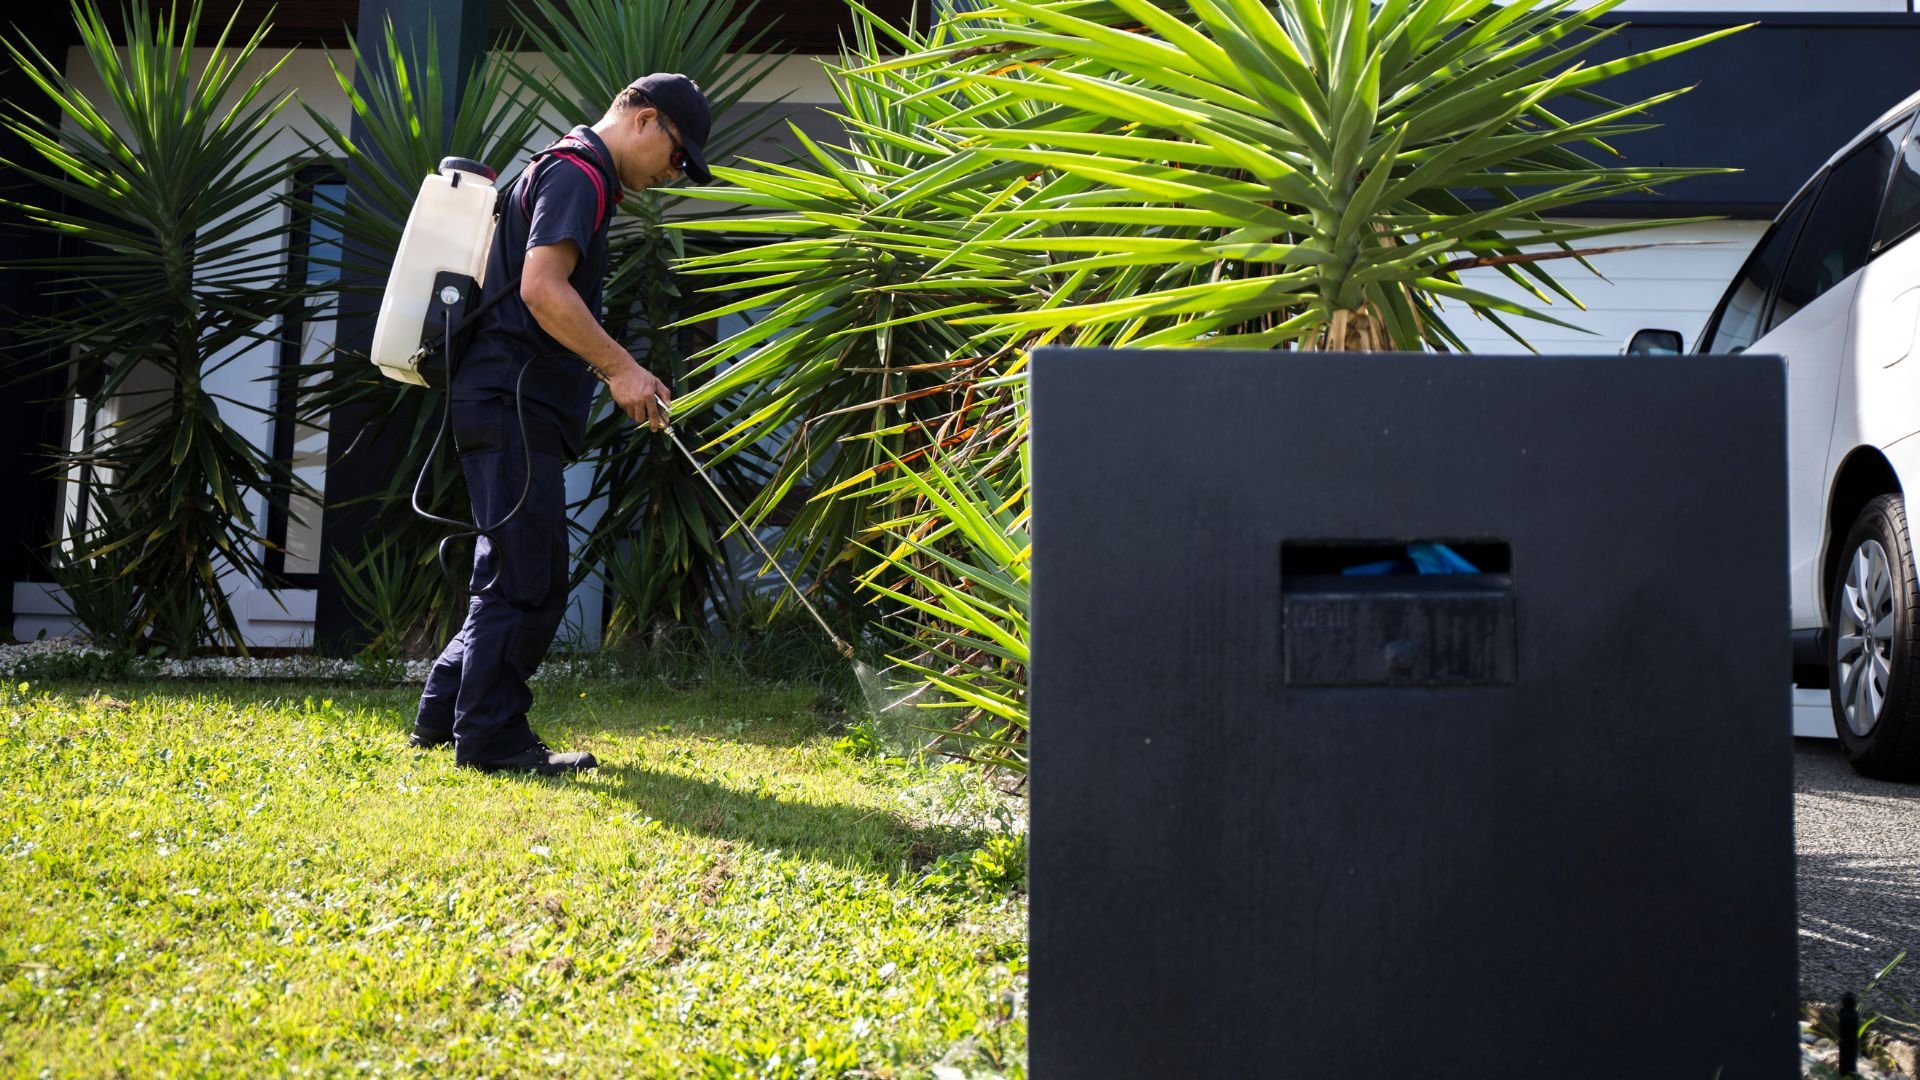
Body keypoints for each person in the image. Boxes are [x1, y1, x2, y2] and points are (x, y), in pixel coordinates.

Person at [407, 73, 715, 775]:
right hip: (511, 400)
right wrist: (621, 370)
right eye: (677, 154)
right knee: (529, 577)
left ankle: (440, 721)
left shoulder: (564, 169)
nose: (674, 173)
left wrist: (612, 368)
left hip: (503, 398)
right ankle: (492, 741)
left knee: (511, 569)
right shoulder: (579, 176)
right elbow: (541, 289)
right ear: (644, 120)